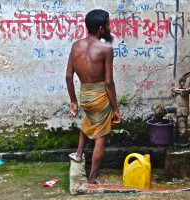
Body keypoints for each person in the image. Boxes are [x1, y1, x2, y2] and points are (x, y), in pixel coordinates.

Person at [66, 9, 121, 184]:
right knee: (101, 137)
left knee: (88, 120)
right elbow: (108, 82)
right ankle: (92, 179)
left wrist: (74, 102)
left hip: (85, 96)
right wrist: (116, 108)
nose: (109, 27)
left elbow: (68, 76)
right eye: (108, 25)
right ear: (100, 28)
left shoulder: (76, 45)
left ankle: (79, 154)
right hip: (100, 97)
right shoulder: (106, 49)